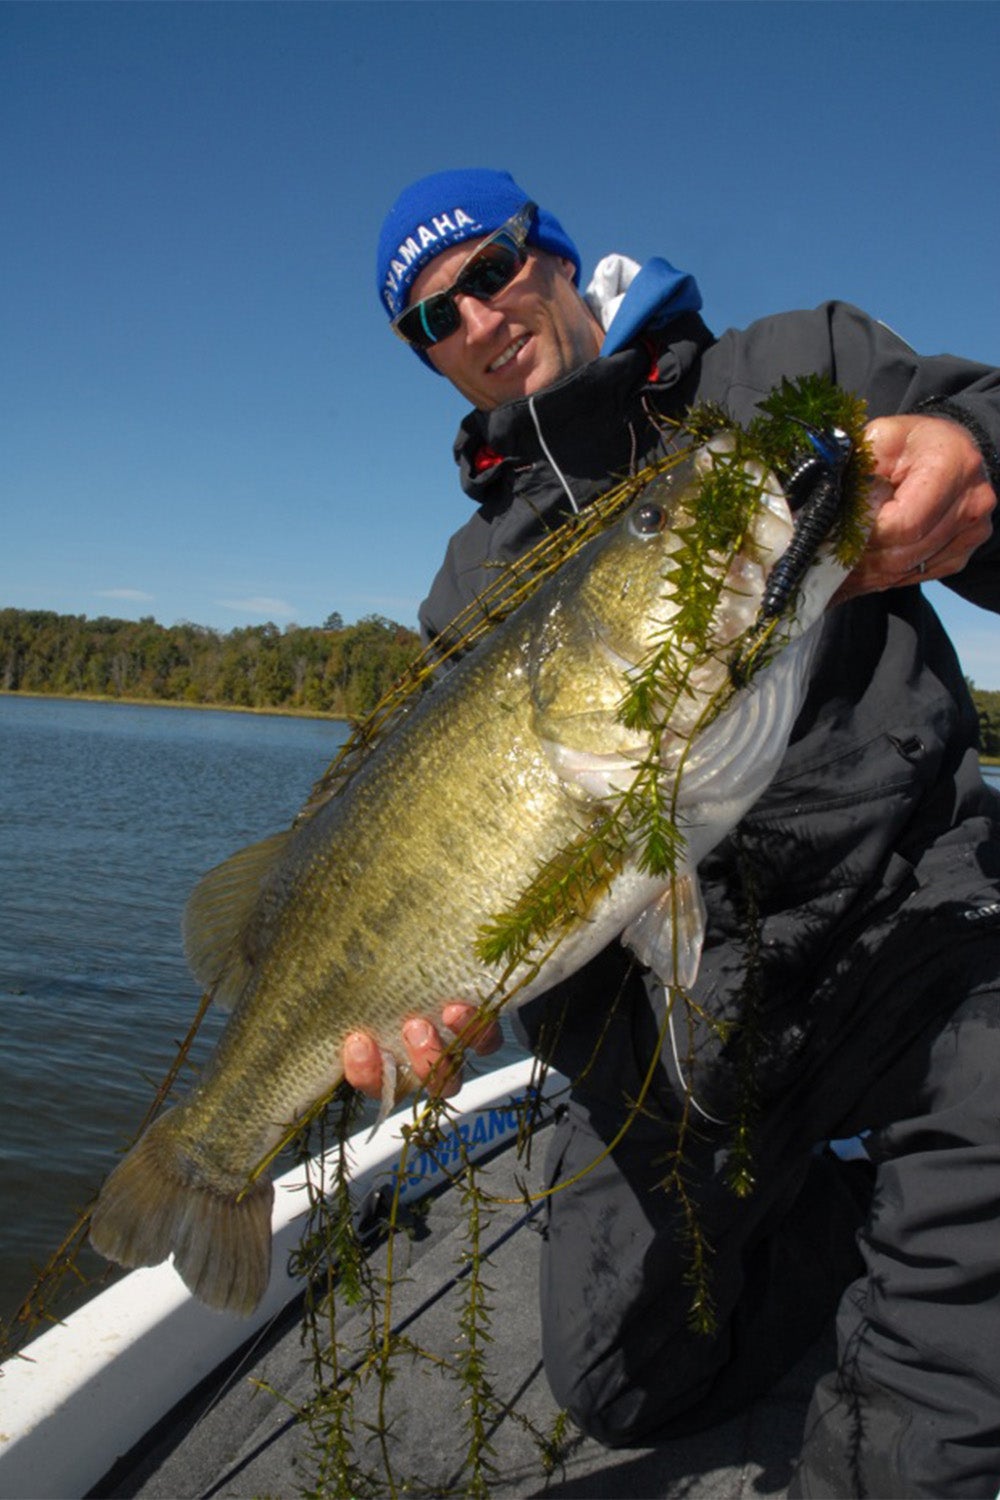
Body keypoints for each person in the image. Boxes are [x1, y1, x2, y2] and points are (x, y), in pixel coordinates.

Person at [346, 169, 1000, 1498]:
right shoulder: (472, 587)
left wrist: (982, 461)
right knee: (620, 1380)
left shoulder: (788, 369)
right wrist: (465, 991)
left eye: (491, 266)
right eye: (431, 321)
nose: (475, 316)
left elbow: (964, 427)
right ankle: (828, 1214)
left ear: (555, 256)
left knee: (918, 1430)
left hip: (914, 943)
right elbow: (510, 872)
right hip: (700, 1030)